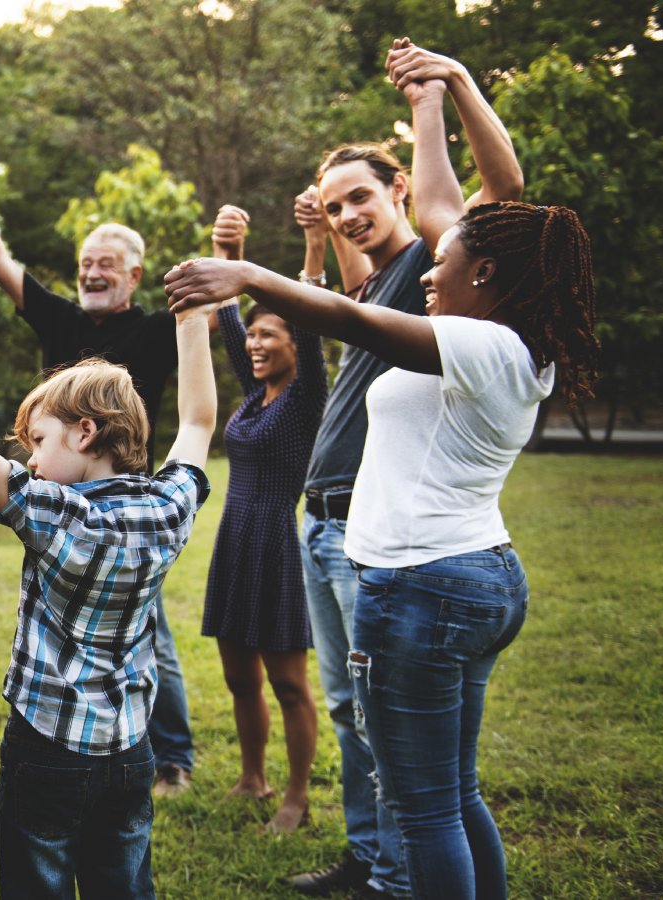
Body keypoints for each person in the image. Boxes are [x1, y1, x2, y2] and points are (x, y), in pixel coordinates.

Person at [167, 51, 590, 900]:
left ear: (490, 275)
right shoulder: (507, 340)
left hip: (424, 584)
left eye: (448, 263)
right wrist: (436, 94)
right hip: (471, 570)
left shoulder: (475, 342)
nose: (432, 271)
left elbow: (359, 311)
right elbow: (442, 207)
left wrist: (252, 273)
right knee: (454, 793)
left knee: (429, 807)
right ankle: (381, 865)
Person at [278, 39, 523, 899]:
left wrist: (438, 92)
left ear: (403, 195)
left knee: (400, 744)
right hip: (328, 516)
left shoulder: (436, 271)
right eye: (334, 203)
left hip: (384, 543)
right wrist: (324, 232)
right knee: (355, 714)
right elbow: (347, 284)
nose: (349, 214)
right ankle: (372, 857)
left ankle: (394, 873)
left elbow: (493, 195)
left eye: (361, 198)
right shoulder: (395, 281)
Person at [0, 270, 217, 898]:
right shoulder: (168, 509)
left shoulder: (56, 512)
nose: (32, 459)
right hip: (130, 752)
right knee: (122, 885)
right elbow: (198, 421)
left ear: (85, 432)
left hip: (47, 750)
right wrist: (191, 320)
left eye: (38, 440)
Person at [0, 156, 210, 796]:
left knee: (145, 631)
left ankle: (172, 755)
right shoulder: (60, 318)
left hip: (127, 502)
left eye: (106, 263)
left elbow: (197, 394)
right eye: (84, 263)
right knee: (63, 618)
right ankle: (75, 730)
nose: (91, 272)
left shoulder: (155, 329)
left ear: (134, 274)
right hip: (56, 497)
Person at [201, 205, 326, 834]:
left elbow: (307, 313)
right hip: (234, 540)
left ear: (295, 345)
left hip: (276, 540)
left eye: (268, 334)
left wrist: (311, 246)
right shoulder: (255, 396)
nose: (253, 342)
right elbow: (226, 316)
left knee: (287, 682)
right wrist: (229, 249)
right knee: (237, 676)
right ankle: (253, 778)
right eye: (252, 336)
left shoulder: (306, 397)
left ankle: (297, 798)